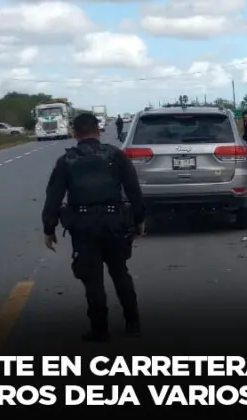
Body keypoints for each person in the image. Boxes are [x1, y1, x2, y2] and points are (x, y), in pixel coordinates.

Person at [41, 112, 146, 342]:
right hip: (114, 223)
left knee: (92, 279)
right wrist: (139, 219)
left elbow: (53, 197)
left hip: (83, 226)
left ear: (74, 134)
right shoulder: (115, 156)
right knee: (120, 272)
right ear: (98, 131)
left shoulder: (66, 161)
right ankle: (133, 323)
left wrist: (49, 229)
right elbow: (133, 191)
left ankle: (100, 329)